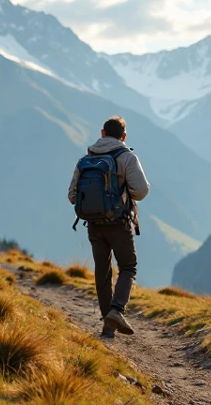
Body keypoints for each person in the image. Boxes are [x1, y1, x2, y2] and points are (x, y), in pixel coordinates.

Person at [68, 116, 150, 338]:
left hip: (93, 224)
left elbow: (72, 195)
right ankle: (116, 311)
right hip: (119, 223)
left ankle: (108, 326)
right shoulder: (127, 157)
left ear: (102, 132)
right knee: (128, 267)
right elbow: (141, 192)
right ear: (123, 136)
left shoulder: (86, 158)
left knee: (102, 272)